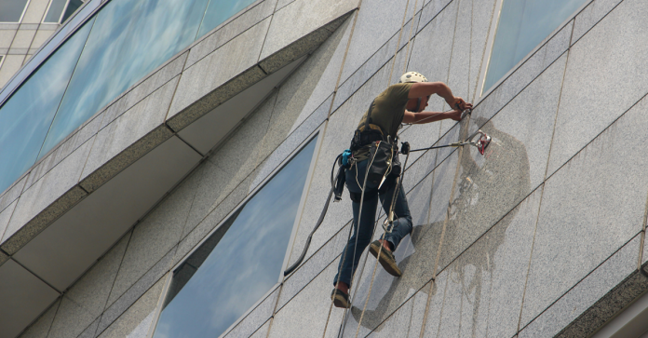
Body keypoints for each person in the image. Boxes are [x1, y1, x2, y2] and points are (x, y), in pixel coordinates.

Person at [331, 71, 473, 308]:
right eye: (424, 97)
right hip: (376, 165)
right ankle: (387, 244)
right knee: (404, 218)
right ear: (415, 89)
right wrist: (453, 101)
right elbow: (438, 86)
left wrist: (449, 115)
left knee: (361, 234)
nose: (425, 102)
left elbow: (415, 118)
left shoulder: (389, 110)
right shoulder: (395, 92)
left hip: (355, 173)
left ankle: (341, 287)